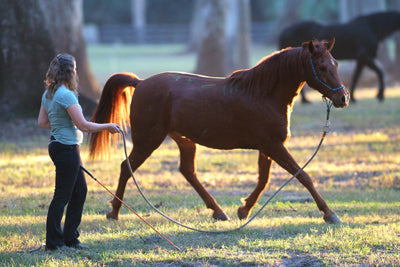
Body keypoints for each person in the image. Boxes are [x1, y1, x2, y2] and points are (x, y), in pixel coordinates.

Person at [38, 53, 121, 251]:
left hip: (60, 146)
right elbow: (83, 125)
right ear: (70, 72)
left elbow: (42, 122)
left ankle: (70, 238)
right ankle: (54, 243)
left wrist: (61, 126)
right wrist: (108, 125)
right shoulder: (66, 95)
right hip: (66, 149)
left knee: (79, 191)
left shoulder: (49, 93)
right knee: (62, 195)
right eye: (75, 69)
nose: (76, 73)